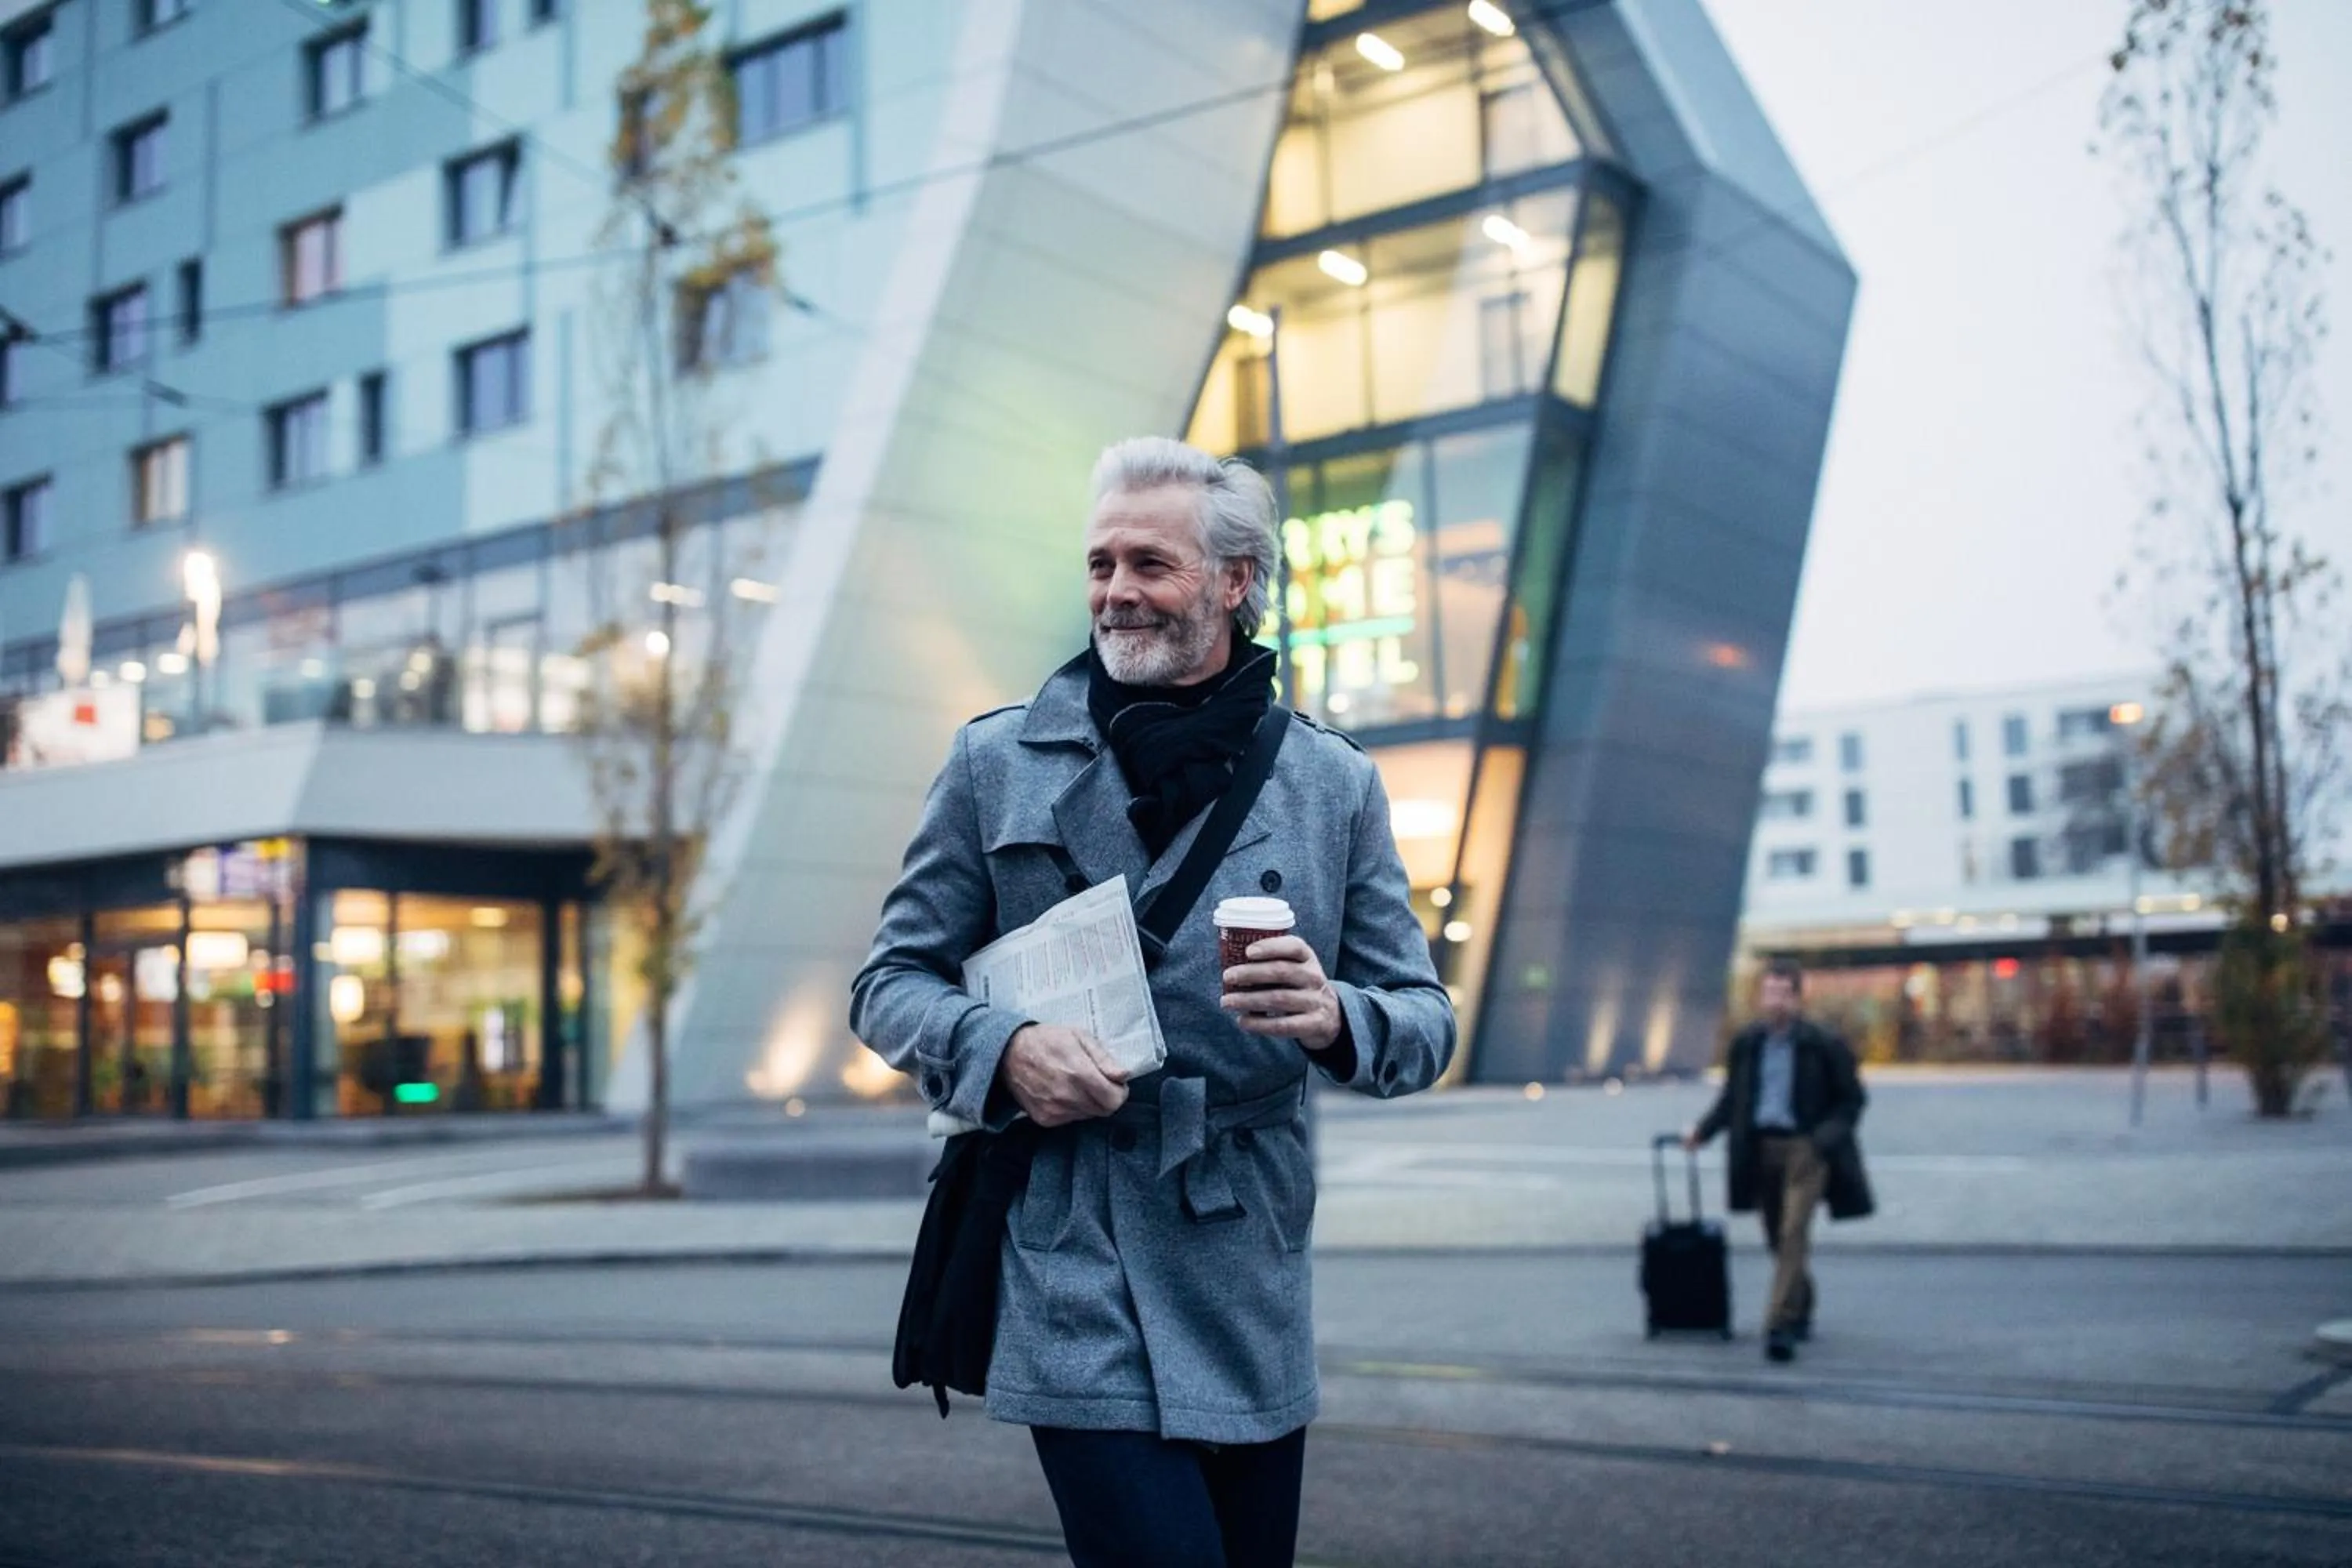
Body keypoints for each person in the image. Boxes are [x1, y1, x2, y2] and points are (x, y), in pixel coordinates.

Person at [851, 436, 1455, 1568]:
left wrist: (1336, 1017)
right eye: (1099, 565)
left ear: (1234, 582)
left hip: (1243, 1249)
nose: (1116, 591)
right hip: (1069, 1239)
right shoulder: (995, 763)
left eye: (1150, 564)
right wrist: (1002, 1046)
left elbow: (1426, 1021)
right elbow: (888, 986)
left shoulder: (1332, 784)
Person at [1683, 960, 1872, 1363]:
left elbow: (1852, 1099)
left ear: (1798, 997)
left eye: (1784, 993)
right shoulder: (1748, 1042)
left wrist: (1823, 1140)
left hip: (1806, 1148)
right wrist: (1702, 1132)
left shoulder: (1822, 1043)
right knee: (1774, 1236)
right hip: (1759, 1148)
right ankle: (1801, 1302)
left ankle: (1779, 1325)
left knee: (1793, 1233)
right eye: (1769, 992)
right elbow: (1733, 1097)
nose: (1776, 1001)